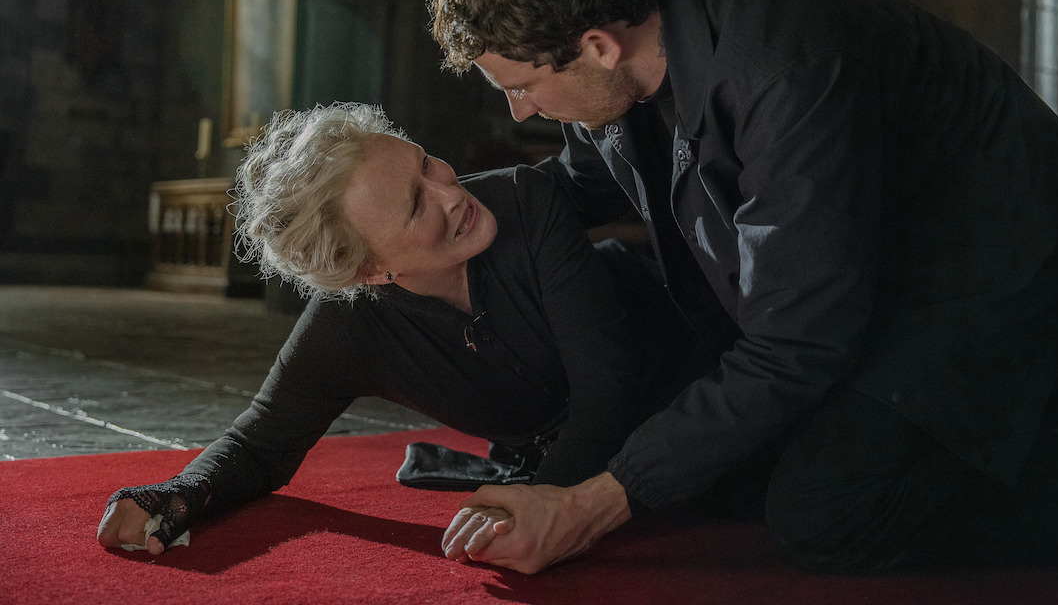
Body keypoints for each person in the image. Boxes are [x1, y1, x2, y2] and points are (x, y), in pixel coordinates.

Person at [428, 0, 1058, 574]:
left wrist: (586, 507)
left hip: (1000, 248)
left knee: (829, 507)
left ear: (597, 47)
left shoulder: (781, 68)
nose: (518, 110)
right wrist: (422, 213)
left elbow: (796, 343)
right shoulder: (629, 42)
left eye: (520, 86)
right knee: (754, 453)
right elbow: (575, 188)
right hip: (877, 247)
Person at [97, 102, 719, 556]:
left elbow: (606, 394)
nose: (449, 193)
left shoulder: (526, 201)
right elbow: (262, 445)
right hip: (593, 455)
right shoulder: (348, 327)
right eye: (417, 205)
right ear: (368, 270)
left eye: (426, 165)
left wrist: (543, 505)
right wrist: (175, 497)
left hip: (703, 380)